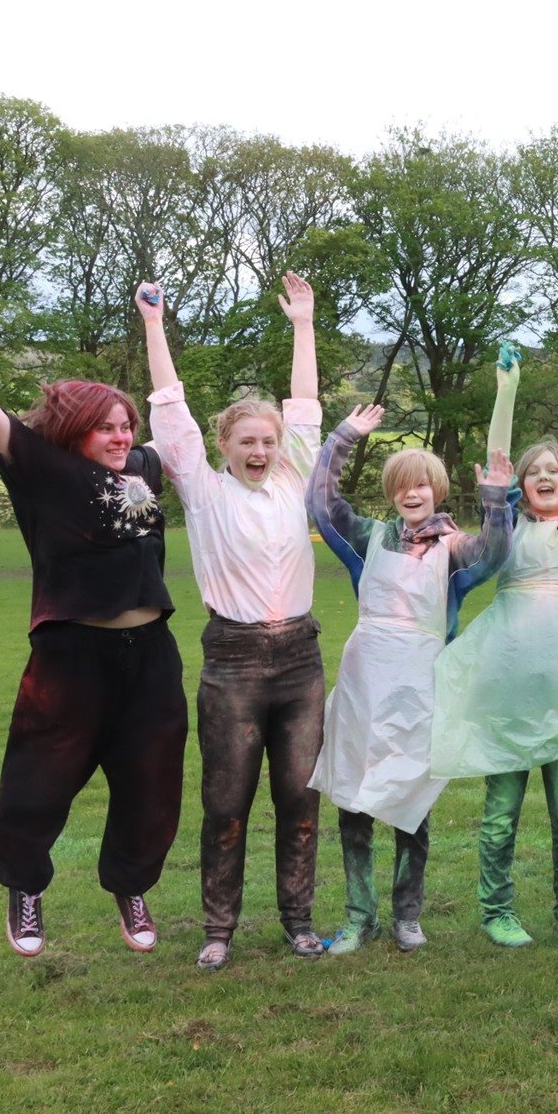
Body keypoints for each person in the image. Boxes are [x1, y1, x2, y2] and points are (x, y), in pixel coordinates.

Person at [0, 301, 186, 959]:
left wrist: (155, 329)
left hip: (150, 656)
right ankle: (25, 888)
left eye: (123, 425)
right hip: (70, 655)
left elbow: (175, 411)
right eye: (104, 427)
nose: (118, 436)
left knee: (152, 778)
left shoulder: (143, 469)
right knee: (40, 776)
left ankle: (131, 887)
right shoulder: (43, 473)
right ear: (76, 430)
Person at [140, 274, 329, 969]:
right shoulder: (202, 486)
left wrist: (302, 324)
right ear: (222, 444)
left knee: (300, 799)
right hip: (234, 660)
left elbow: (305, 407)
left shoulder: (291, 480)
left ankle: (298, 921)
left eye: (268, 440)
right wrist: (155, 326)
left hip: (301, 660)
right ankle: (219, 928)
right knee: (226, 800)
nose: (259, 449)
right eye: (246, 439)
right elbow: (170, 409)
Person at [431, 347, 558, 952]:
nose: (544, 475)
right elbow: (494, 473)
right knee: (499, 813)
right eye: (533, 469)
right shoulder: (505, 530)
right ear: (522, 483)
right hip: (507, 692)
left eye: (555, 470)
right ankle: (498, 911)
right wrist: (506, 393)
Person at [308, 406, 512, 955]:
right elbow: (322, 506)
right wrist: (343, 438)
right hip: (364, 681)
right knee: (352, 799)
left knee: (410, 804)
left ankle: (407, 915)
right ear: (393, 492)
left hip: (421, 684)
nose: (412, 492)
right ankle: (358, 915)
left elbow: (495, 556)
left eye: (422, 483)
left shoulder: (454, 549)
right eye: (402, 485)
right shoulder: (368, 538)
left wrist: (497, 500)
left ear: (437, 489)